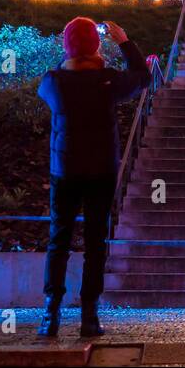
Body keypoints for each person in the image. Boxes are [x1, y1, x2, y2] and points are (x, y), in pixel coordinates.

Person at [36, 17, 150, 337]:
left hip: (65, 170)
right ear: (97, 45)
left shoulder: (54, 82)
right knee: (96, 243)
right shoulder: (109, 81)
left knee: (58, 240)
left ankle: (51, 312)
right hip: (102, 170)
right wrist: (125, 42)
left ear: (66, 46)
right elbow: (142, 77)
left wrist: (71, 56)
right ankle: (89, 314)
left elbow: (52, 82)